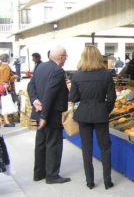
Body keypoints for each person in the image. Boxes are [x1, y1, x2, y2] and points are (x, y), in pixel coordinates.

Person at [69, 45, 116, 190]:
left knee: (86, 149)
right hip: (101, 113)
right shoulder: (106, 74)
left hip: (83, 114)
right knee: (105, 148)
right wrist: (104, 109)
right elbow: (112, 98)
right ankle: (107, 181)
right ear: (98, 57)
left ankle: (90, 181)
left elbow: (73, 97)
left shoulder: (77, 75)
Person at [27, 46, 70, 184]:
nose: (66, 59)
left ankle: (39, 173)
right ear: (61, 57)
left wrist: (34, 100)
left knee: (40, 143)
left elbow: (30, 86)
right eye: (66, 56)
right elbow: (51, 93)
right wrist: (45, 116)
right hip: (51, 115)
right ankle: (52, 175)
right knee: (53, 144)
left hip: (40, 112)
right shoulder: (58, 70)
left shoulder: (40, 67)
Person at [0, 54, 17, 127]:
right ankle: (7, 122)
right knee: (5, 104)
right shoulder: (6, 67)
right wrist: (14, 76)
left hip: (1, 88)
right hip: (4, 88)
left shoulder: (1, 67)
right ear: (7, 59)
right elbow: (6, 79)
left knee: (2, 104)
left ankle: (5, 121)